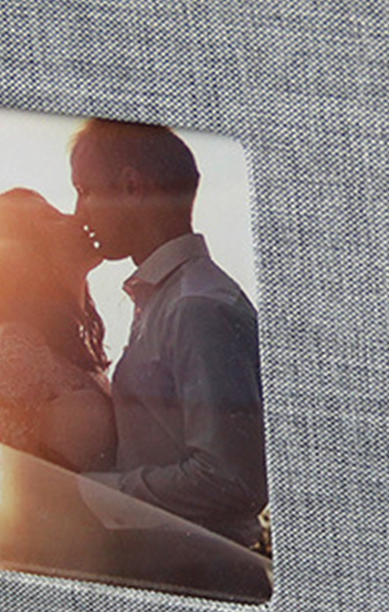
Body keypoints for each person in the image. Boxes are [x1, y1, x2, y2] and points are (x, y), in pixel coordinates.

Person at [70, 117, 267, 551]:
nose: (79, 212)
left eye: (84, 191)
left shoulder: (197, 308)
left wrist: (95, 493)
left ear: (130, 187)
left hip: (204, 568)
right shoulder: (170, 300)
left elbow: (231, 480)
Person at [0, 187, 115, 475]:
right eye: (51, 218)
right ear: (26, 255)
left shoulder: (72, 345)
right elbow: (18, 473)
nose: (74, 218)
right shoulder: (16, 343)